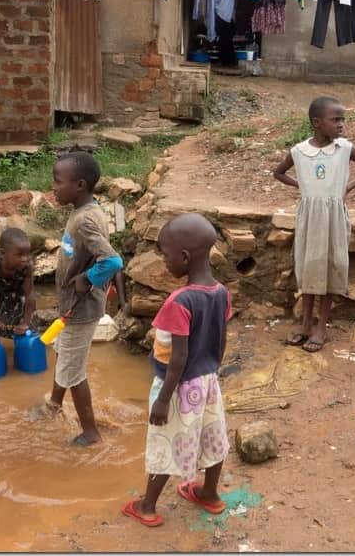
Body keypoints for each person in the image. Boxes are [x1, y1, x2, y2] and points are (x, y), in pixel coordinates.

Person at [122, 213, 232, 528]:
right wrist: (212, 374)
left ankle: (146, 505)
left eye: (165, 254)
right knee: (213, 436)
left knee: (165, 442)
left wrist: (162, 399)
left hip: (177, 387)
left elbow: (178, 357)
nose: (163, 260)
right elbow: (220, 341)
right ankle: (209, 493)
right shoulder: (221, 292)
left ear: (184, 257)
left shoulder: (179, 301)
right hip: (207, 382)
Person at [273, 96, 355, 352]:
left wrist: (347, 188)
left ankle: (322, 325)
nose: (342, 124)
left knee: (332, 266)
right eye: (336, 120)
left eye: (343, 119)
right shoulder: (299, 152)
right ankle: (305, 323)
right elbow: (278, 172)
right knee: (310, 266)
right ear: (317, 123)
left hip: (333, 216)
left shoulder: (345, 149)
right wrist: (303, 186)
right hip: (310, 217)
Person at [43, 151, 123, 446]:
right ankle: (54, 404)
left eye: (57, 181)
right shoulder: (86, 210)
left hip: (81, 307)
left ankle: (91, 433)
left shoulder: (85, 221)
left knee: (73, 371)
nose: (53, 187)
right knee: (64, 354)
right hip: (72, 305)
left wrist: (87, 279)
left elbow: (113, 262)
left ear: (79, 185)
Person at [0, 227, 36, 350]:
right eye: (19, 255)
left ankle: (23, 353)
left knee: (29, 331)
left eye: (27, 254)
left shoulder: (27, 267)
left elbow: (30, 295)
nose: (25, 259)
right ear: (3, 253)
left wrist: (26, 322)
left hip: (18, 297)